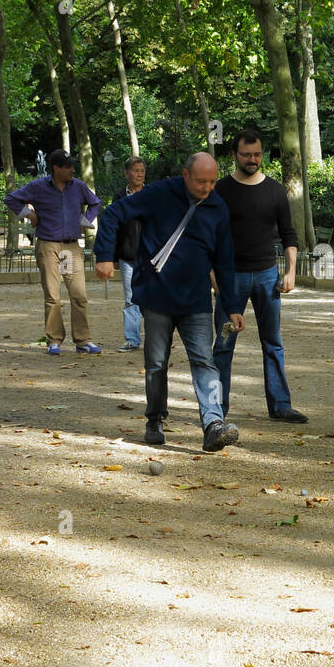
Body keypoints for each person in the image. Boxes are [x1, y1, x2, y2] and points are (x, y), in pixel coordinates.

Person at [94, 153, 246, 453]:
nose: (207, 188)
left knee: (205, 361)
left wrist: (233, 306)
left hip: (196, 301)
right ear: (185, 174)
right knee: (156, 364)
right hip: (157, 297)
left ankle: (213, 424)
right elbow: (113, 214)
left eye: (213, 181)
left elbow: (225, 262)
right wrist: (104, 256)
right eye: (201, 181)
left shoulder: (217, 207)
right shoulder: (159, 193)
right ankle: (154, 419)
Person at [212, 129, 306, 423]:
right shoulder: (221, 190)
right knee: (224, 345)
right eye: (246, 155)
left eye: (257, 154)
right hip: (231, 277)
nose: (252, 160)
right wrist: (215, 281)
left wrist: (291, 272)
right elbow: (210, 238)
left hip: (268, 276)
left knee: (273, 343)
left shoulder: (275, 190)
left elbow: (289, 234)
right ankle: (216, 410)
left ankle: (280, 405)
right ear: (234, 156)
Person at [5, 149, 103, 354]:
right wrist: (29, 214)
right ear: (56, 168)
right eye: (68, 167)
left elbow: (95, 203)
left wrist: (85, 220)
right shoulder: (38, 186)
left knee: (79, 295)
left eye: (73, 166)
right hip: (48, 245)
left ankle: (83, 340)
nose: (72, 170)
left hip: (71, 247)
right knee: (52, 295)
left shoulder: (78, 186)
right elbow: (11, 199)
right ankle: (54, 340)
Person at [112, 156, 148, 351]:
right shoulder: (119, 197)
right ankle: (132, 340)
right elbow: (114, 227)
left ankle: (155, 338)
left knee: (152, 298)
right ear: (126, 173)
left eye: (142, 170)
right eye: (136, 170)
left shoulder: (152, 194)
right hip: (127, 255)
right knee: (130, 299)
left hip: (150, 255)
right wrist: (112, 256)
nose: (140, 174)